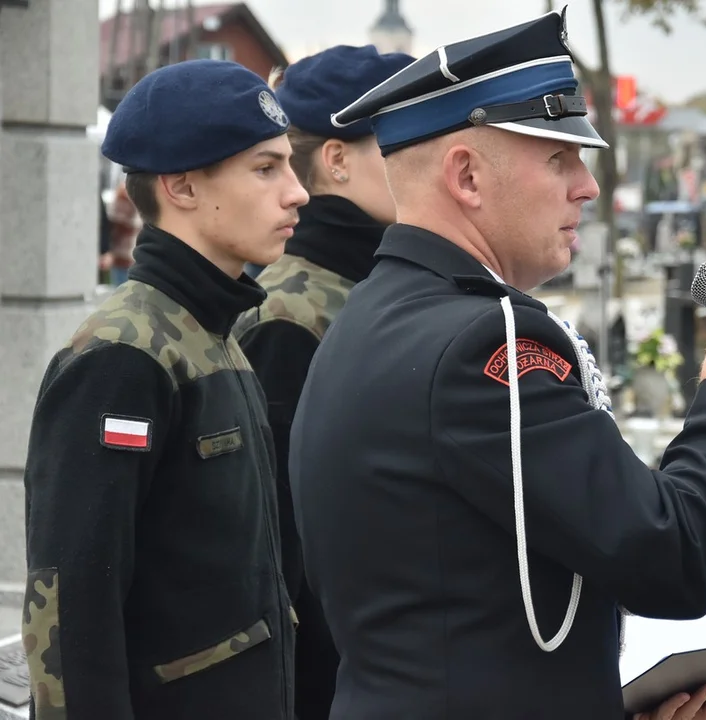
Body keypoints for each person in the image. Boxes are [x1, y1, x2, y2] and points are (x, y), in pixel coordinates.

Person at [288, 9, 706, 720]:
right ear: (465, 176)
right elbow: (674, 559)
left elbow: (465, 611)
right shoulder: (479, 342)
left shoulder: (378, 313)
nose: (586, 186)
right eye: (559, 159)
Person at [21, 60, 309, 720]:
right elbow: (72, 612)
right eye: (265, 168)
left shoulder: (215, 335)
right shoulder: (123, 357)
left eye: (289, 166)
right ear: (181, 187)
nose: (297, 193)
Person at [232, 44, 414, 720]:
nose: (425, 159)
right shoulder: (290, 314)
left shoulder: (370, 286)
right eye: (400, 141)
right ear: (336, 160)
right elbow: (280, 550)